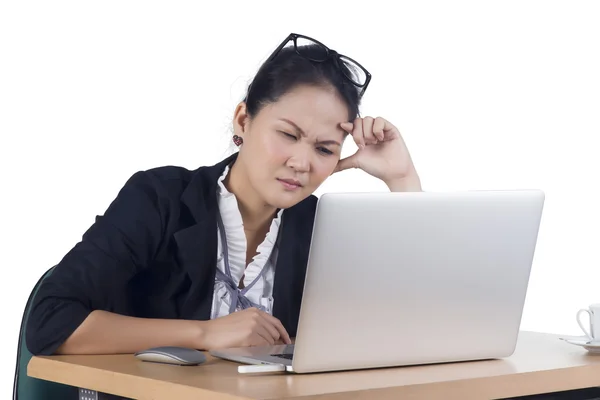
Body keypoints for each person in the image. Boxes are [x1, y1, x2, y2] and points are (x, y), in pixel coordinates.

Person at [25, 33, 422, 356]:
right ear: (243, 119)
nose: (302, 162)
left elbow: (408, 325)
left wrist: (402, 179)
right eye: (288, 134)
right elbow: (49, 323)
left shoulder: (321, 226)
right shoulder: (158, 199)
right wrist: (204, 334)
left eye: (324, 149)